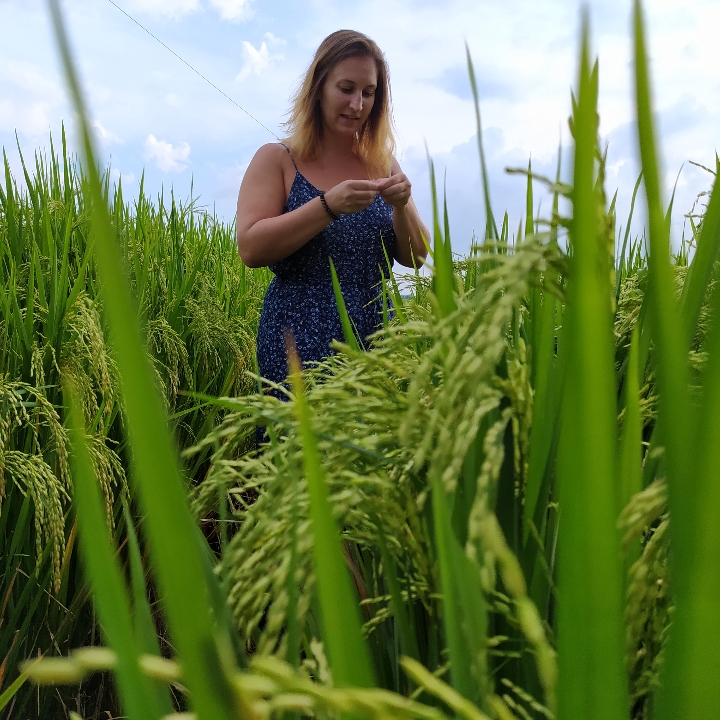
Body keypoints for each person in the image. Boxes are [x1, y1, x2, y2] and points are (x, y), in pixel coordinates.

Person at [236, 29, 429, 391]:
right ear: (319, 87)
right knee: (298, 446)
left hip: (377, 335)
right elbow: (250, 247)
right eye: (346, 88)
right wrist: (327, 206)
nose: (357, 104)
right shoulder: (278, 159)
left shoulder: (383, 163)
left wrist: (402, 206)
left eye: (368, 93)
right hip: (298, 336)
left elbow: (416, 257)